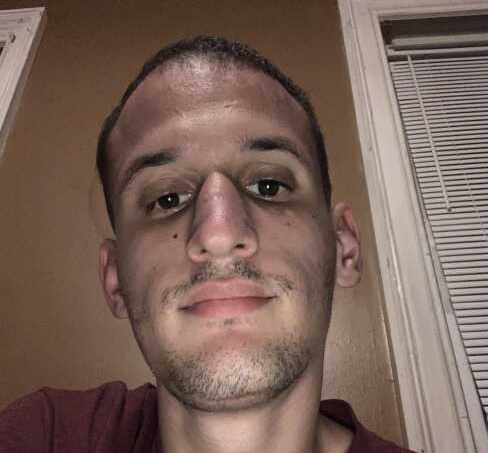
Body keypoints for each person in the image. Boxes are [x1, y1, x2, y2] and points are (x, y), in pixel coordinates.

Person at [0, 36, 415, 453]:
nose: (218, 235)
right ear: (115, 279)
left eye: (269, 186)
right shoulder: (46, 434)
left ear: (343, 247)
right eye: (167, 199)